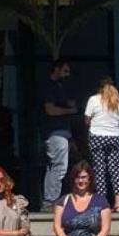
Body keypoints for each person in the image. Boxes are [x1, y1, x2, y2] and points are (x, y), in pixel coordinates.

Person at [41, 59, 77, 210]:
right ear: (56, 69)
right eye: (65, 71)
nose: (67, 75)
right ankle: (51, 200)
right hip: (55, 133)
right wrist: (70, 110)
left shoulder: (59, 87)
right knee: (59, 167)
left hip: (61, 133)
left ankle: (50, 199)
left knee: (55, 167)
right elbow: (50, 109)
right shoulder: (49, 87)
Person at [85, 78, 119, 211]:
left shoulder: (94, 99)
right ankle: (118, 203)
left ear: (100, 88)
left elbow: (87, 119)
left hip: (97, 136)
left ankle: (102, 202)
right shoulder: (118, 101)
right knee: (115, 170)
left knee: (99, 170)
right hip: (113, 137)